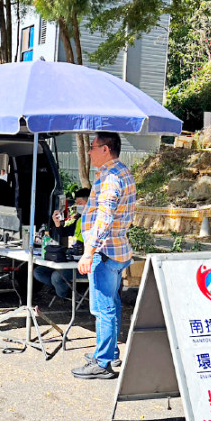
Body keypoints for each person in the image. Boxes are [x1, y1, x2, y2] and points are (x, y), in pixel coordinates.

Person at [72, 132, 136, 380]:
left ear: (106, 149)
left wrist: (89, 252)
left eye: (93, 147)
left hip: (105, 251)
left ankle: (103, 361)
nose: (89, 152)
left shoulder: (110, 178)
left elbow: (104, 218)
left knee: (103, 307)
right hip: (118, 250)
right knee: (112, 304)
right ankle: (109, 351)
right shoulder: (122, 171)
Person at [32, 189, 91, 301]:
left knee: (56, 276)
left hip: (84, 264)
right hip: (74, 258)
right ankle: (67, 291)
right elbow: (64, 232)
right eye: (77, 203)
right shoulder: (80, 219)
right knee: (39, 272)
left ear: (89, 202)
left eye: (80, 204)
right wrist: (57, 223)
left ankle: (67, 294)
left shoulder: (95, 221)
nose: (77, 206)